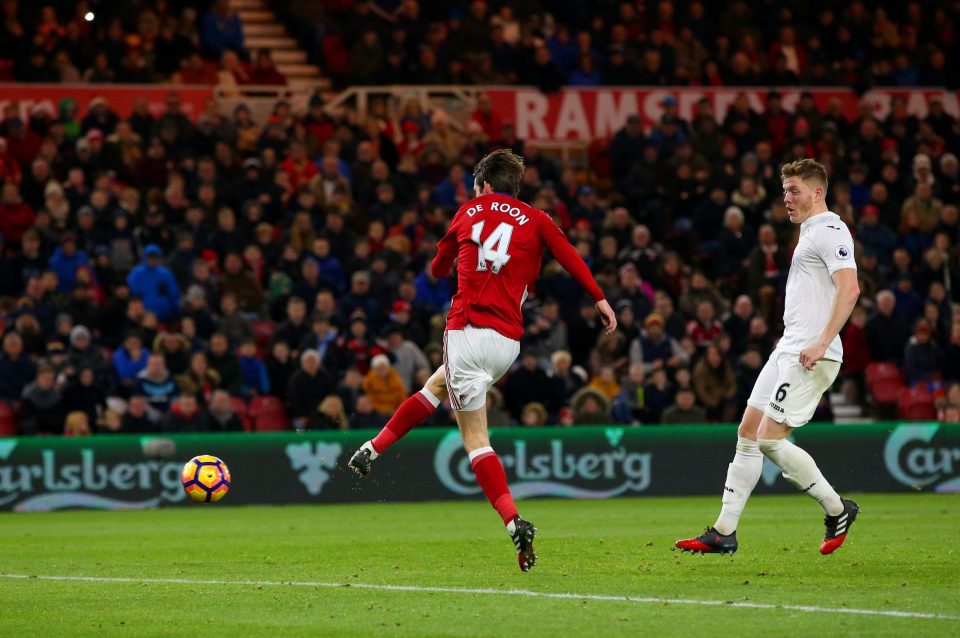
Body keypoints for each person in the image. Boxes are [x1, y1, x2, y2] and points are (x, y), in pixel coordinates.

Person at [348, 149, 616, 572]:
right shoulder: (538, 219)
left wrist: (452, 256)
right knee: (438, 385)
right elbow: (568, 255)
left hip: (468, 330)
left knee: (475, 439)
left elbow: (437, 270)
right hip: (507, 344)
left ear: (485, 186)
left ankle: (513, 521)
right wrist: (600, 299)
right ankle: (370, 450)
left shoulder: (469, 211)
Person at [676, 159, 861, 556]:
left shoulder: (830, 230)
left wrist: (821, 341)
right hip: (790, 346)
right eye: (784, 192)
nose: (787, 200)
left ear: (817, 192)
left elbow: (850, 289)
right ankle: (724, 532)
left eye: (794, 191)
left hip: (812, 351)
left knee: (770, 440)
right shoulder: (810, 232)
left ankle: (837, 508)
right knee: (747, 432)